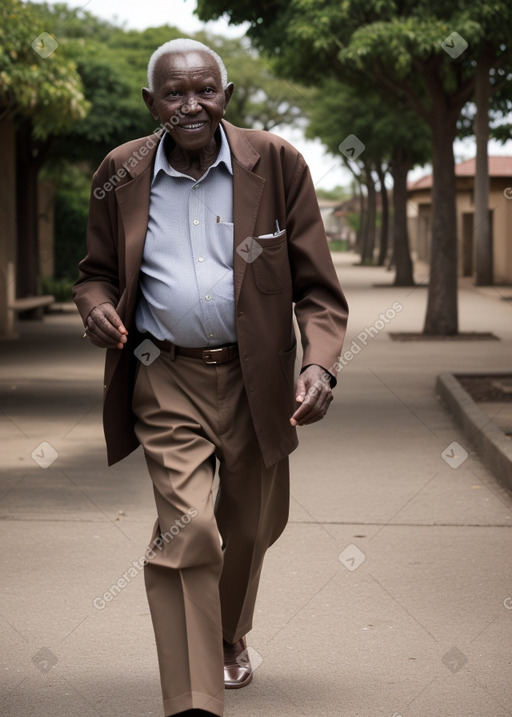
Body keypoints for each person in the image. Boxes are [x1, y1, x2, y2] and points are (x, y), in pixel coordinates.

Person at [74, 38, 348, 717]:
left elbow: (317, 286)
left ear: (226, 96)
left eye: (205, 90)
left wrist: (319, 363)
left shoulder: (276, 161)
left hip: (259, 377)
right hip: (164, 376)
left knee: (252, 526)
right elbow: (96, 273)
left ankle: (228, 633)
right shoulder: (120, 170)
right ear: (151, 103)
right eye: (174, 92)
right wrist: (98, 307)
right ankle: (194, 696)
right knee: (188, 528)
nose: (191, 104)